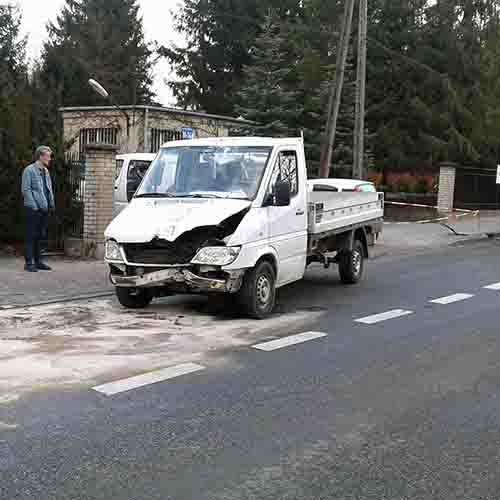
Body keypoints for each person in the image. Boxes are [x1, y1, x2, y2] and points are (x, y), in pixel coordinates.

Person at [21, 146, 55, 272]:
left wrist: (51, 203)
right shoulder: (29, 170)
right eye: (48, 156)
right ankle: (29, 263)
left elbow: (48, 189)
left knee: (40, 236)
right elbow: (26, 190)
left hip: (44, 209)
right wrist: (34, 206)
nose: (50, 159)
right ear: (41, 156)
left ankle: (38, 261)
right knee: (30, 236)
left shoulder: (46, 171)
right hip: (32, 209)